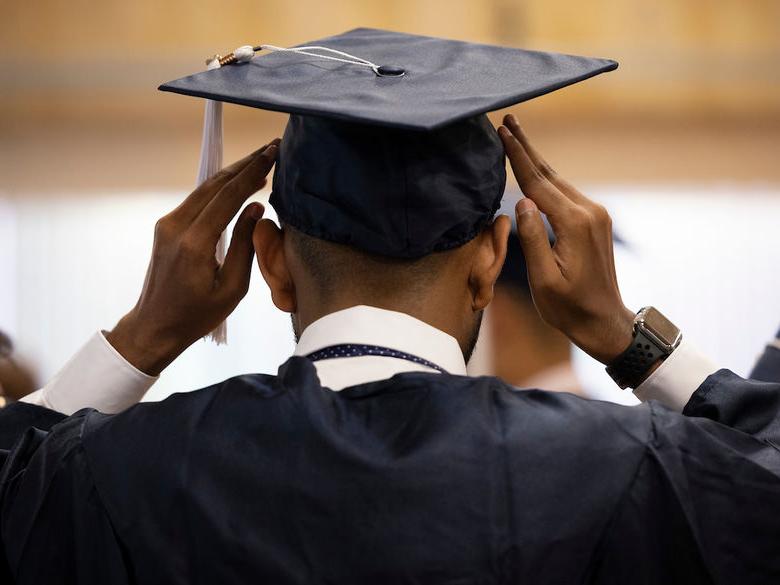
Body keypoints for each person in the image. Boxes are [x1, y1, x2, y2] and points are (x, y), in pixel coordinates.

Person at [2, 29, 779, 584]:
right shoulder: (622, 469)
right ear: (491, 264)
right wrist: (629, 340)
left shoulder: (126, 473)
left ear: (271, 266)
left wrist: (141, 337)